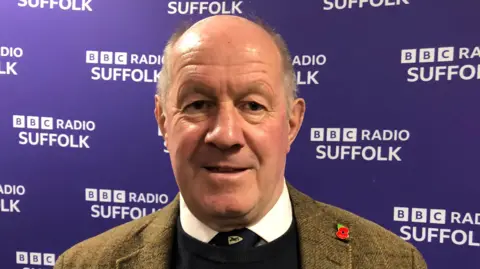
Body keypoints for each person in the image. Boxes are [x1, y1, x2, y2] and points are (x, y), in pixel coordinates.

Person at [54, 15, 427, 269]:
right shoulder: (84, 264)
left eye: (253, 105)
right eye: (198, 104)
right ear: (164, 122)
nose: (226, 135)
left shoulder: (390, 261)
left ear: (292, 123)